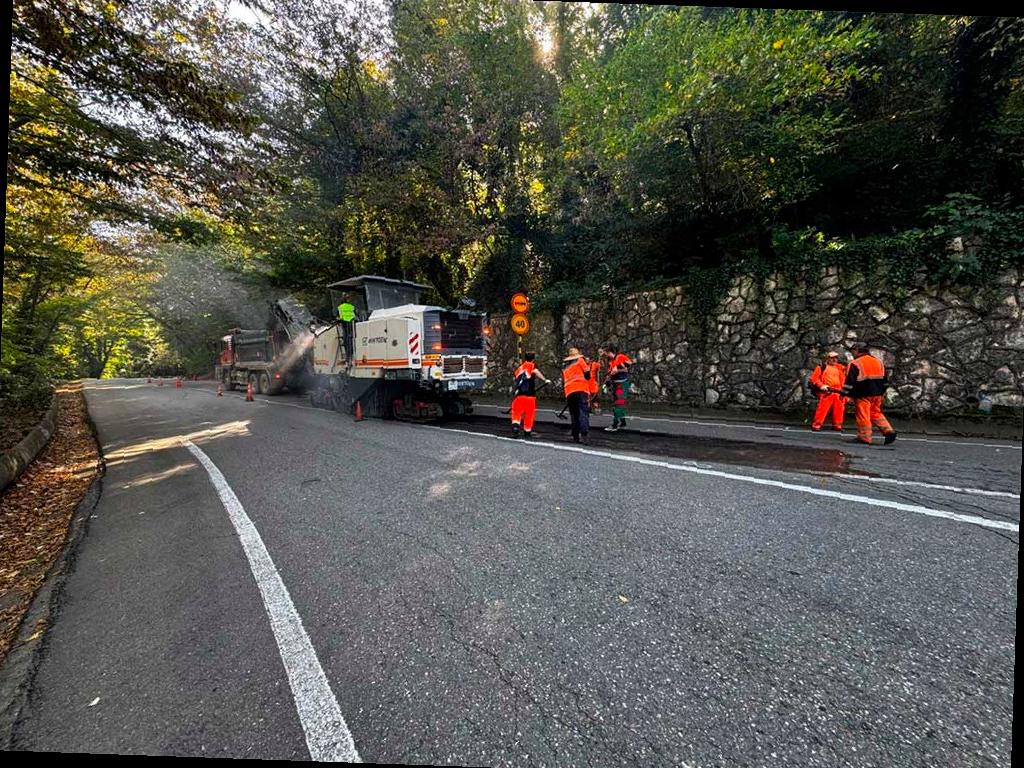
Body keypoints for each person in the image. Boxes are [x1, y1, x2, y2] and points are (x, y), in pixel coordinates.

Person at [841, 343, 897, 445]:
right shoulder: (878, 362)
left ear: (857, 350)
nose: (852, 353)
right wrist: (882, 392)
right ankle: (889, 431)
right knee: (875, 412)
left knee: (863, 415)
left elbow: (850, 382)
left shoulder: (855, 363)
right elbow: (885, 380)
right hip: (877, 393)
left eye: (853, 351)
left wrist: (844, 394)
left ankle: (864, 437)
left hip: (863, 394)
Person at [510, 353, 548, 438]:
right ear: (533, 359)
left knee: (516, 413)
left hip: (519, 395)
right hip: (530, 395)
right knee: (529, 414)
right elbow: (536, 372)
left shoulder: (520, 368)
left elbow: (515, 380)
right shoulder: (531, 365)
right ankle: (527, 431)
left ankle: (515, 427)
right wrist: (545, 380)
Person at [808, 351, 847, 431]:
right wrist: (821, 386)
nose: (834, 359)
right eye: (832, 358)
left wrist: (844, 392)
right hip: (827, 392)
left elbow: (844, 380)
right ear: (828, 359)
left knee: (839, 410)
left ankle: (837, 425)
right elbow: (814, 379)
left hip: (838, 392)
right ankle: (816, 425)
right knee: (822, 409)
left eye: (836, 358)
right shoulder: (822, 367)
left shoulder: (841, 368)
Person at [562, 347, 591, 443]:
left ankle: (575, 436)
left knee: (574, 414)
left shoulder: (565, 366)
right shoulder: (580, 360)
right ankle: (584, 434)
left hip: (569, 392)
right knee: (583, 412)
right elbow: (587, 373)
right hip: (581, 389)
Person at [604, 347, 633, 432]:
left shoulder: (620, 357)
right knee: (617, 402)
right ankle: (623, 422)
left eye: (606, 353)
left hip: (621, 384)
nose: (606, 355)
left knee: (618, 403)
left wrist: (618, 369)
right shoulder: (611, 362)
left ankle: (615, 424)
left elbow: (628, 364)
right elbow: (610, 373)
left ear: (610, 352)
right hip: (615, 384)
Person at [588, 350, 603, 415]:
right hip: (586, 385)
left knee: (595, 398)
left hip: (593, 385)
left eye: (588, 359)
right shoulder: (584, 365)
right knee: (587, 398)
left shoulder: (594, 364)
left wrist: (600, 356)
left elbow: (600, 366)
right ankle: (588, 409)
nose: (587, 360)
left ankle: (597, 409)